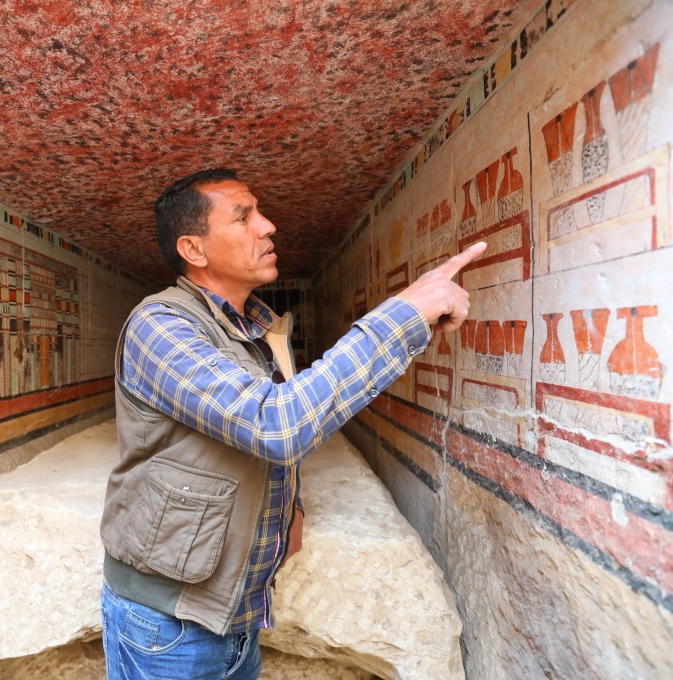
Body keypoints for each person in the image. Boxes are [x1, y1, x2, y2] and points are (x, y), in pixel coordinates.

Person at [100, 168, 486, 679]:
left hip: (235, 614)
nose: (269, 226)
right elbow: (275, 424)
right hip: (169, 626)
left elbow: (261, 426)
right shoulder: (161, 326)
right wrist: (403, 314)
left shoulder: (249, 327)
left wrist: (286, 508)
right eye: (243, 216)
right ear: (194, 250)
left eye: (259, 212)